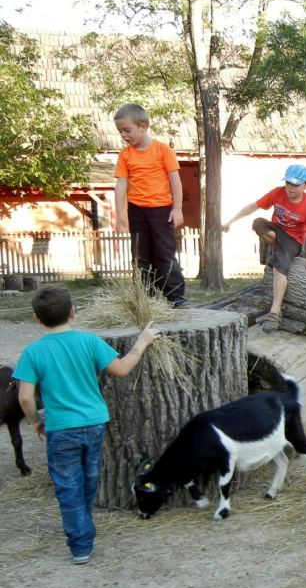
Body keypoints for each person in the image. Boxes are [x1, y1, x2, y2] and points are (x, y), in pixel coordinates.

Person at [14, 287, 160, 564]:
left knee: (68, 484)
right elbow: (121, 369)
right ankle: (85, 527)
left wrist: (35, 422)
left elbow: (24, 396)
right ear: (72, 312)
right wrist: (142, 342)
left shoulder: (33, 352)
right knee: (89, 477)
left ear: (36, 317)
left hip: (60, 428)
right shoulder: (89, 342)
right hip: (94, 423)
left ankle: (81, 544)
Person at [222, 164, 306, 332]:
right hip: (277, 232)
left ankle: (275, 312)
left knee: (278, 268)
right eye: (288, 183)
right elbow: (253, 206)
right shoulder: (278, 192)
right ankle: (277, 246)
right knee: (258, 222)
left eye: (296, 185)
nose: (290, 188)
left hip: (293, 240)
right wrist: (230, 221)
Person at [113, 103, 189, 308]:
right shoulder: (125, 155)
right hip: (136, 210)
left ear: (143, 126)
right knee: (139, 255)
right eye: (120, 132)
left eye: (127, 130)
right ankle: (146, 296)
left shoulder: (163, 150)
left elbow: (175, 180)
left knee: (164, 253)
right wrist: (120, 214)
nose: (124, 135)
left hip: (161, 209)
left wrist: (178, 208)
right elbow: (121, 184)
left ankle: (176, 296)